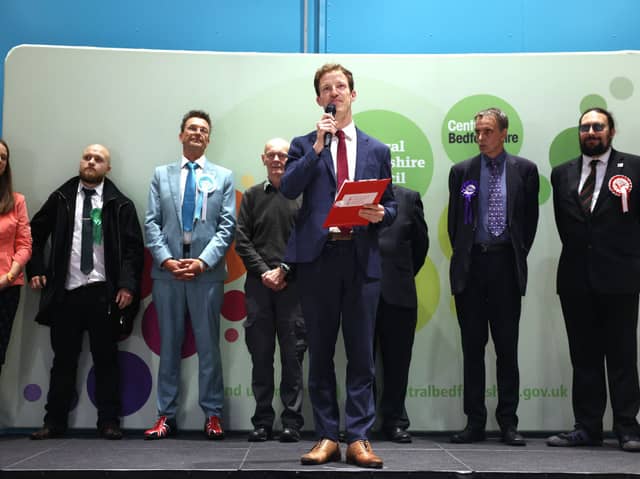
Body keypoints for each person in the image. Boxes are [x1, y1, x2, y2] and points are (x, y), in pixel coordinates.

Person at [280, 63, 397, 469]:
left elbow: (393, 205)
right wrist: (317, 145)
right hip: (318, 261)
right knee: (322, 354)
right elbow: (289, 187)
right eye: (327, 88)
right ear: (318, 99)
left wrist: (382, 212)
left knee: (362, 355)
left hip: (362, 260)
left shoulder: (377, 150)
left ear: (353, 94)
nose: (335, 92)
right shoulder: (303, 144)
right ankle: (327, 435)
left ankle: (359, 438)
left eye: (342, 86)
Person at [28, 144, 143, 440]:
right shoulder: (61, 198)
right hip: (67, 292)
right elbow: (34, 235)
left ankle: (108, 421)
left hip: (104, 294)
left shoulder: (120, 204)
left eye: (98, 159)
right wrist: (36, 268)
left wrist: (128, 285)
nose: (91, 162)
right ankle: (54, 422)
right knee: (63, 360)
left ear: (108, 167)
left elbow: (133, 251)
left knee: (106, 359)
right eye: (87, 157)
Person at [547, 107, 640, 452]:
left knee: (622, 356)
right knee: (583, 358)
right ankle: (587, 427)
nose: (591, 132)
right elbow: (566, 226)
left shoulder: (634, 168)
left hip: (620, 279)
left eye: (598, 126)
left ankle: (628, 428)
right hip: (575, 280)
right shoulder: (561, 174)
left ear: (611, 131)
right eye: (585, 127)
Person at [447, 108, 539, 446]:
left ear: (503, 133)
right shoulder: (462, 172)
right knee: (472, 349)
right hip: (472, 269)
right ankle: (474, 421)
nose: (481, 138)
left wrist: (510, 254)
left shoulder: (525, 171)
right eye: (478, 132)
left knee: (506, 349)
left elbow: (528, 224)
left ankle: (508, 422)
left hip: (505, 268)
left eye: (488, 131)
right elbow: (456, 224)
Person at [144, 110, 236, 440]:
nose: (197, 133)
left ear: (209, 138)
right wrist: (168, 260)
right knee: (168, 345)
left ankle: (212, 415)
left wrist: (202, 262)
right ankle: (164, 416)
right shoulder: (160, 175)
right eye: (192, 128)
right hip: (167, 274)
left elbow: (227, 227)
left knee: (209, 347)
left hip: (206, 275)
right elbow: (151, 223)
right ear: (181, 135)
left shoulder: (223, 177)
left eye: (203, 130)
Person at [235, 137, 306, 443]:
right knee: (261, 358)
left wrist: (286, 270)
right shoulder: (251, 197)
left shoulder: (305, 196)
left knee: (293, 358)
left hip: (295, 288)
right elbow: (241, 240)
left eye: (284, 155)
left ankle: (292, 422)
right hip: (258, 288)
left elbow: (310, 239)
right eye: (272, 155)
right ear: (263, 159)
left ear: (291, 160)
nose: (278, 159)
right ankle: (263, 421)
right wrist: (265, 272)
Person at [375, 184, 428, 443]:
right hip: (359, 294)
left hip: (399, 293)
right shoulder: (350, 195)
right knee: (361, 363)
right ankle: (361, 421)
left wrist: (400, 273)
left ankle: (395, 421)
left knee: (397, 363)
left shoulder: (409, 197)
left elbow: (421, 245)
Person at [0, 139, 32, 377]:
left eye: (3, 157)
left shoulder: (16, 201)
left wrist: (9, 276)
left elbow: (24, 244)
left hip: (6, 286)